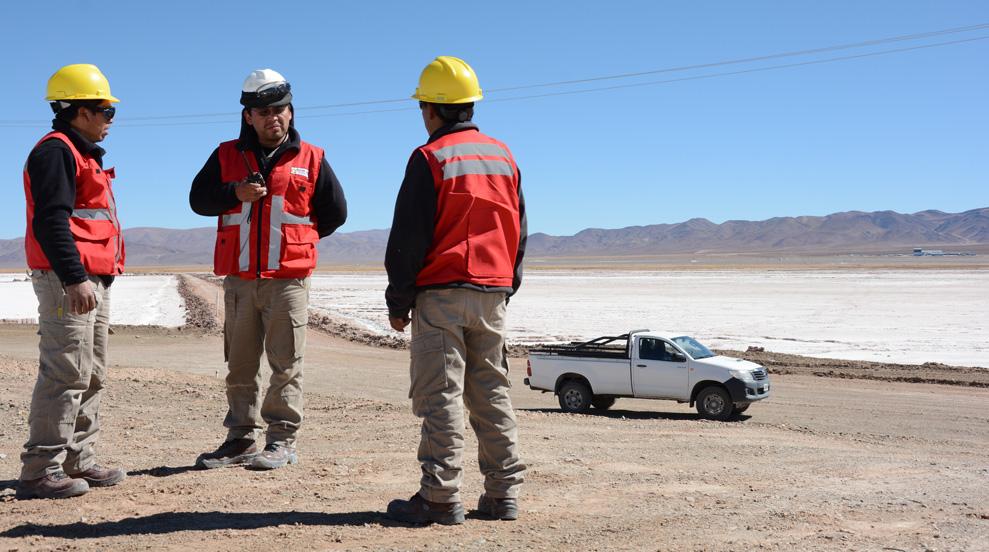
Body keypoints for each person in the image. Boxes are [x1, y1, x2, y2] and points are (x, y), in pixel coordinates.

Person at [384, 56, 527, 525]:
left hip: (442, 294)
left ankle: (440, 497)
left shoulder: (429, 158)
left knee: (441, 394)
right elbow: (518, 228)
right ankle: (503, 494)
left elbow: (409, 235)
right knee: (491, 391)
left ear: (432, 109)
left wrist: (399, 301)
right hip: (492, 293)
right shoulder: (503, 155)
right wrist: (507, 283)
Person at [189, 68, 347, 470]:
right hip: (240, 280)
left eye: (280, 109)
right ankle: (241, 438)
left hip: (287, 282)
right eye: (263, 111)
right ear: (248, 117)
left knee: (286, 364)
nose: (272, 117)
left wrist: (298, 244)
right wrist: (234, 193)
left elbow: (334, 213)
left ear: (290, 112)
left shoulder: (311, 158)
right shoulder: (226, 155)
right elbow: (198, 200)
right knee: (239, 364)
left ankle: (281, 441)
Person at [18, 64, 127, 500]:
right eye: (105, 111)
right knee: (65, 372)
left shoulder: (81, 154)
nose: (109, 120)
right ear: (79, 111)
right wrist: (74, 277)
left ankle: (79, 458)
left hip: (90, 280)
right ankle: (41, 468)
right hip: (70, 281)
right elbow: (51, 222)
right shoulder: (56, 151)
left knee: (91, 373)